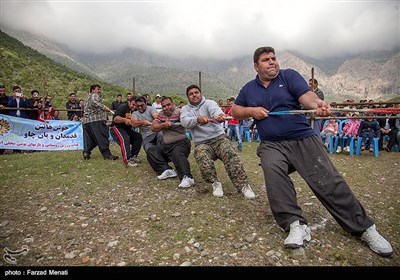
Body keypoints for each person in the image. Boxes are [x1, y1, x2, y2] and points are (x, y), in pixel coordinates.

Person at [231, 46, 393, 257]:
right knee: (272, 171)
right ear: (256, 66)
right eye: (265, 60)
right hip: (271, 144)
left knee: (329, 181)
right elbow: (235, 110)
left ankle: (364, 228)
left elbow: (306, 96)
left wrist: (317, 103)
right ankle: (294, 224)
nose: (272, 62)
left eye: (273, 58)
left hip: (302, 139)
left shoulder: (288, 76)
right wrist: (251, 111)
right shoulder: (249, 89)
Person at [180, 85, 255, 199]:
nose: (194, 95)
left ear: (200, 94)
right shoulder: (185, 109)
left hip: (219, 138)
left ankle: (243, 186)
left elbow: (216, 111)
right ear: (188, 97)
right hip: (202, 143)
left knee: (230, 153)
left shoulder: (209, 103)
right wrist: (197, 119)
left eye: (196, 92)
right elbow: (184, 122)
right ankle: (215, 183)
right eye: (191, 94)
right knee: (201, 155)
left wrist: (219, 116)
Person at [151, 96, 194, 188]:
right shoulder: (161, 114)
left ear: (173, 104)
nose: (167, 107)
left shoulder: (180, 112)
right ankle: (166, 170)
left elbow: (187, 121)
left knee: (177, 153)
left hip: (181, 142)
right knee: (151, 150)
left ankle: (187, 177)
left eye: (169, 104)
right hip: (166, 144)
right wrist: (163, 125)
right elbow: (153, 127)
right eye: (164, 106)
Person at [131, 96, 178, 180]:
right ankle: (165, 169)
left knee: (162, 138)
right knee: (149, 149)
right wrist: (142, 122)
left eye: (142, 105)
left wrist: (155, 122)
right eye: (138, 106)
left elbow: (157, 117)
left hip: (156, 132)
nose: (140, 107)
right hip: (146, 137)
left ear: (146, 104)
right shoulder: (135, 113)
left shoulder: (151, 109)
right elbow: (134, 123)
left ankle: (174, 160)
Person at [81, 84, 119, 161]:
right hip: (96, 120)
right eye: (98, 89)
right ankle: (107, 155)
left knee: (91, 138)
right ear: (92, 90)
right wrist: (104, 107)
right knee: (102, 136)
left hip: (87, 121)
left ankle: (86, 152)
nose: (99, 91)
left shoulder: (87, 98)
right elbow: (95, 102)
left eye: (100, 89)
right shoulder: (94, 95)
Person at [110, 98, 143, 167]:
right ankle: (127, 160)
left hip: (127, 129)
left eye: (135, 106)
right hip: (117, 127)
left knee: (138, 137)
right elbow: (115, 119)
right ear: (129, 102)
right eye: (133, 105)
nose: (134, 107)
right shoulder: (123, 107)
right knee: (125, 138)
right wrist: (124, 120)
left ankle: (133, 156)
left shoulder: (136, 110)